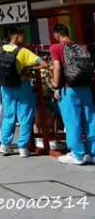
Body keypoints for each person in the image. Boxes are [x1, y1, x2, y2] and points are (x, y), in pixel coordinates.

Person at [0, 27, 47, 157]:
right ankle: (23, 147)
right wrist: (28, 68)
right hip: (22, 85)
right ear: (16, 37)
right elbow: (44, 64)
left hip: (5, 87)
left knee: (8, 115)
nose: (24, 38)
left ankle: (5, 145)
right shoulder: (23, 52)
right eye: (23, 36)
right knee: (25, 116)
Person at [50, 23, 94, 165]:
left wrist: (56, 87)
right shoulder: (80, 47)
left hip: (68, 88)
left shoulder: (56, 47)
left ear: (56, 35)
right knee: (90, 119)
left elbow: (57, 68)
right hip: (85, 87)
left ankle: (77, 154)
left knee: (72, 121)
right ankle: (92, 152)